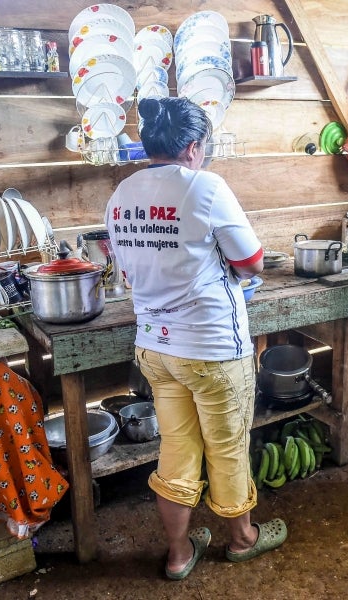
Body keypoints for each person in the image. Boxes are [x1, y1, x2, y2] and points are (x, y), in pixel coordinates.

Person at [105, 96, 287, 580]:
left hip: (156, 347)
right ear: (191, 147)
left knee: (176, 451)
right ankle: (243, 538)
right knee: (226, 448)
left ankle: (179, 552)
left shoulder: (121, 194)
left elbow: (128, 270)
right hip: (210, 347)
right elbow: (252, 263)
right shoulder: (205, 187)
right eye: (203, 146)